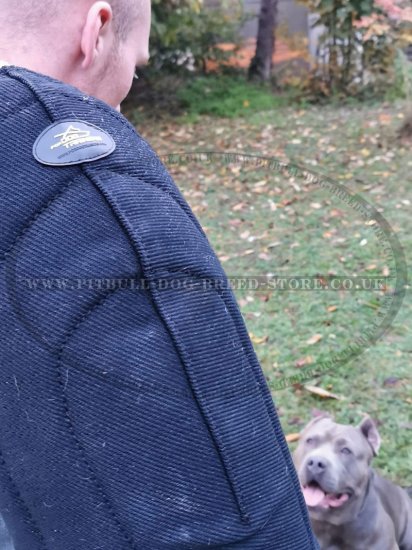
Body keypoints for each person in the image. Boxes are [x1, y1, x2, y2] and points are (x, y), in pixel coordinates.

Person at [0, 1, 319, 548]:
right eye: (136, 69)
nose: (122, 107)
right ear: (95, 29)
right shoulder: (84, 203)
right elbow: (218, 516)